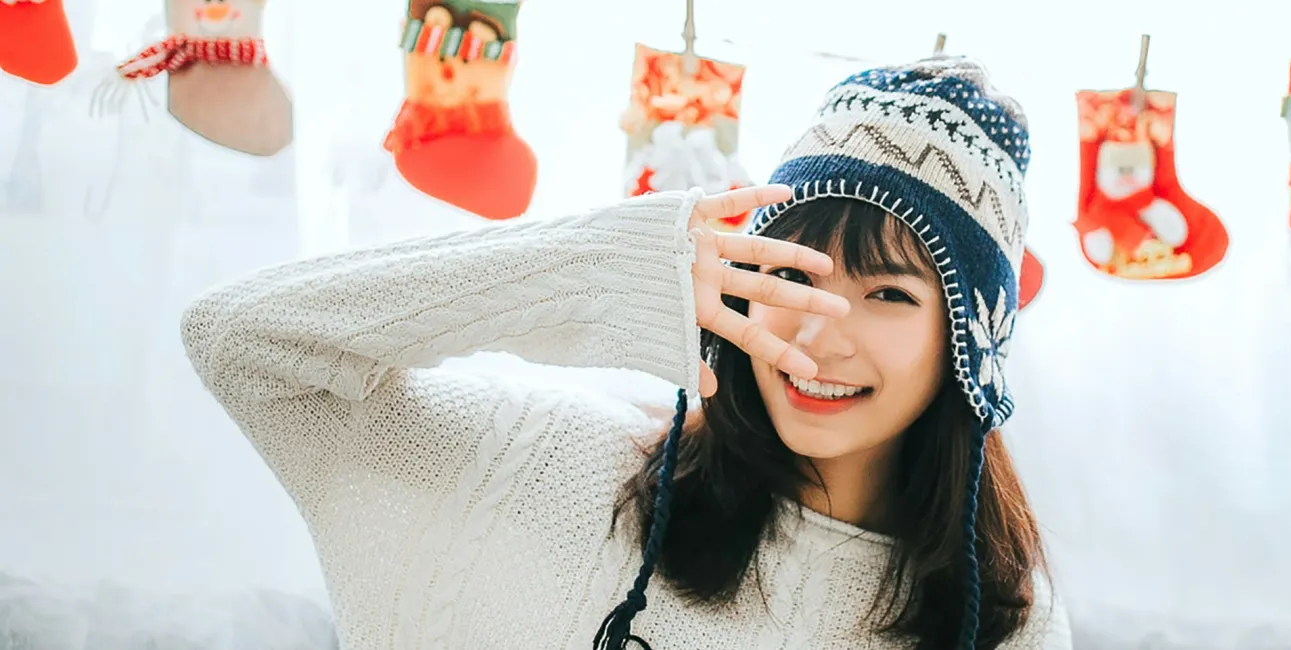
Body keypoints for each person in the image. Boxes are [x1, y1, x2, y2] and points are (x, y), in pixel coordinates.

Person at [181, 55, 1067, 649]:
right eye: (794, 273)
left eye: (887, 295)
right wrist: (600, 274)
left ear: (969, 343)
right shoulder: (565, 467)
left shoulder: (1004, 619)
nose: (816, 331)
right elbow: (241, 341)